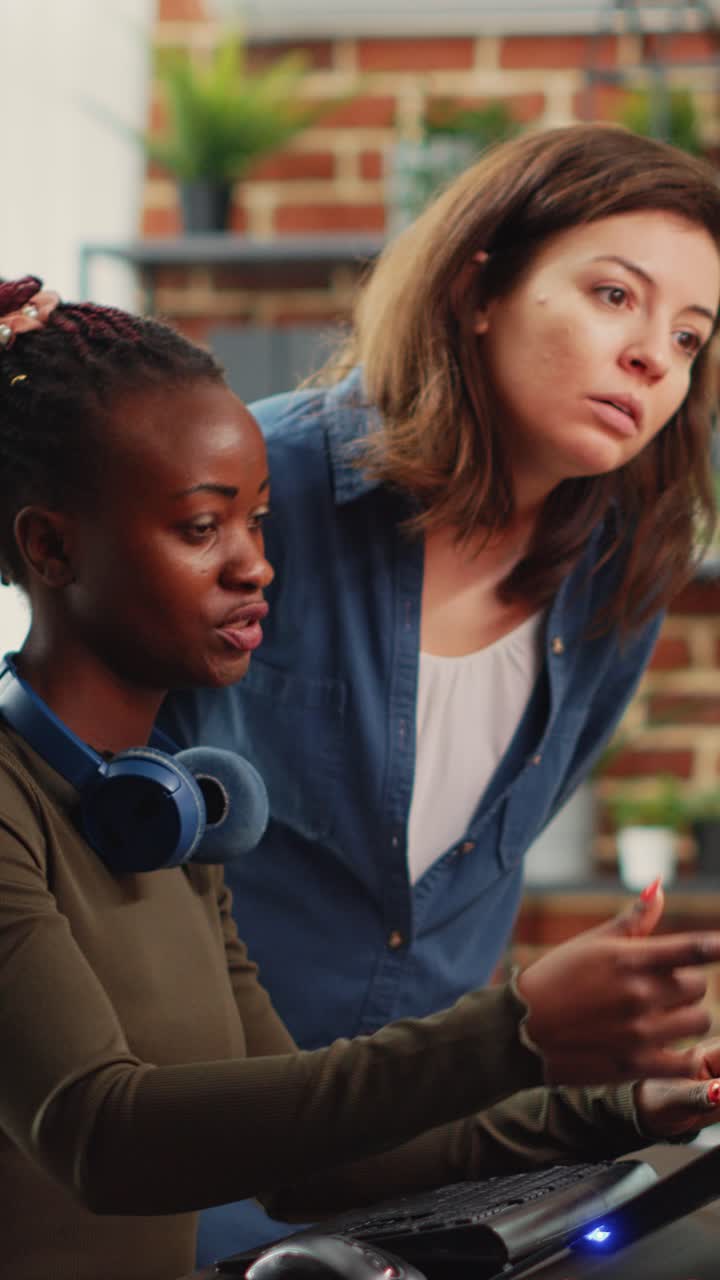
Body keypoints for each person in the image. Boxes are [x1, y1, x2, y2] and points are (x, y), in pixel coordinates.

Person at [2, 277, 720, 1280]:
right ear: (50, 545)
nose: (255, 565)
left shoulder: (176, 816)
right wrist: (515, 1027)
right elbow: (102, 1132)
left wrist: (626, 1110)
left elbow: (313, 1156)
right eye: (203, 526)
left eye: (257, 521)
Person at [156, 122, 720, 1258]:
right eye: (615, 294)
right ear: (479, 289)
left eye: (692, 336)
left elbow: (459, 913)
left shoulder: (622, 570)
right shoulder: (250, 494)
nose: (654, 356)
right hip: (174, 1167)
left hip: (426, 1181)